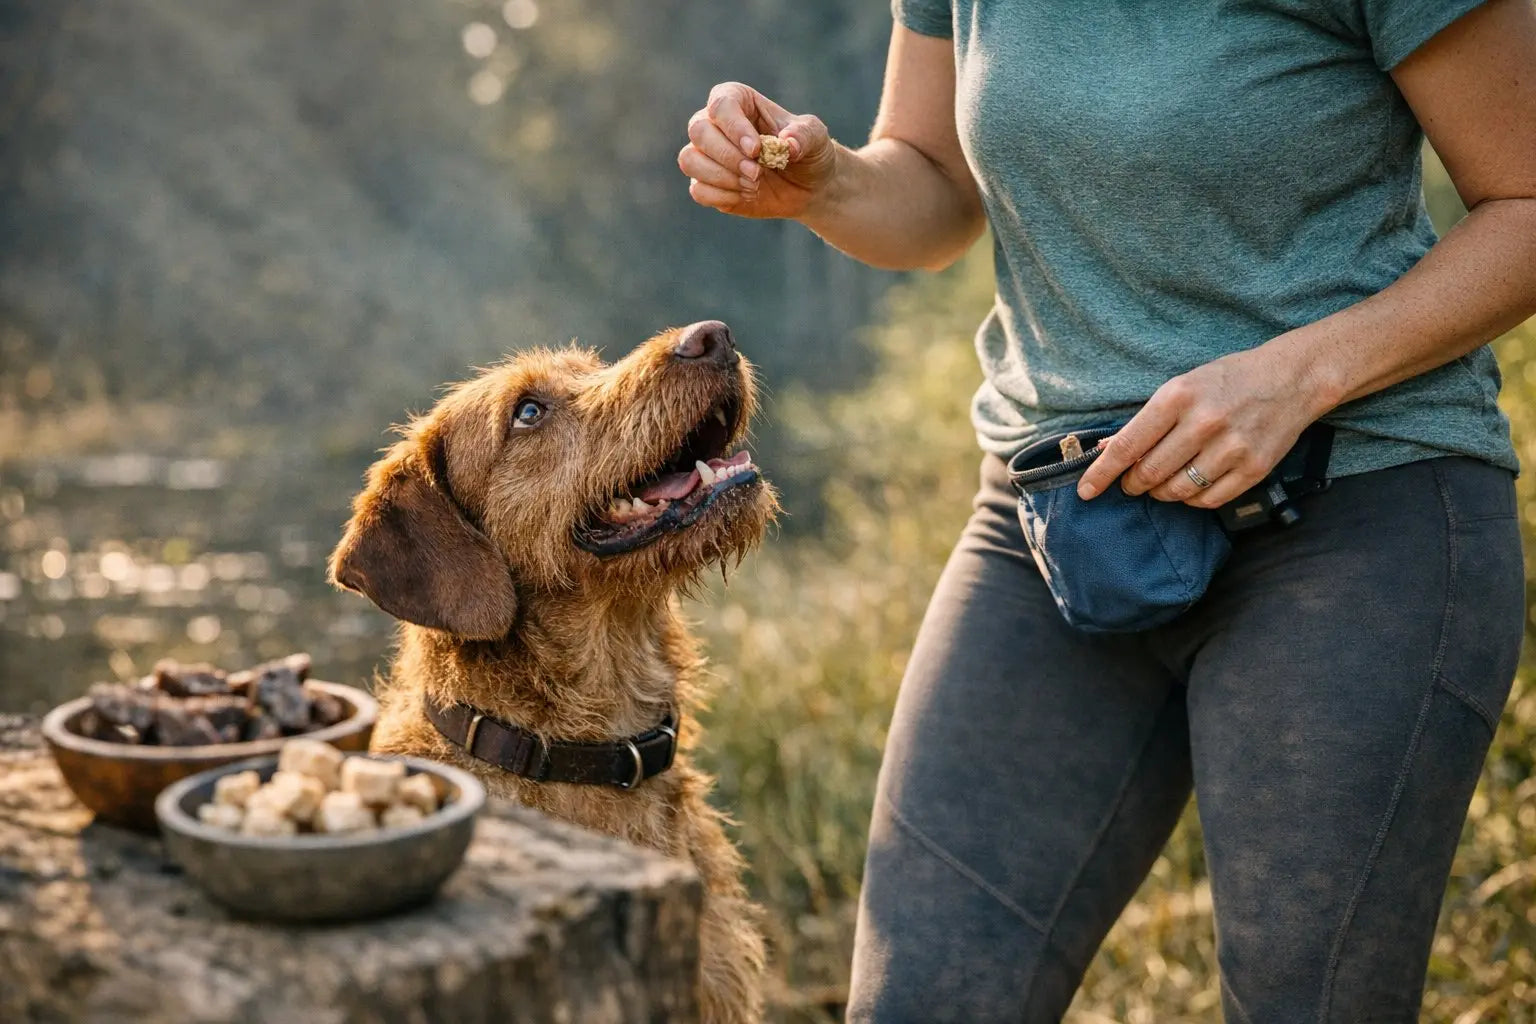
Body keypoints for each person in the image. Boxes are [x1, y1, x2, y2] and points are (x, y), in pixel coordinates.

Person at [679, 1, 1536, 1020]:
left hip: (1356, 511)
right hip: (1053, 523)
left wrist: (1298, 378)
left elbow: (1524, 200)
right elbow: (937, 182)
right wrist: (828, 183)